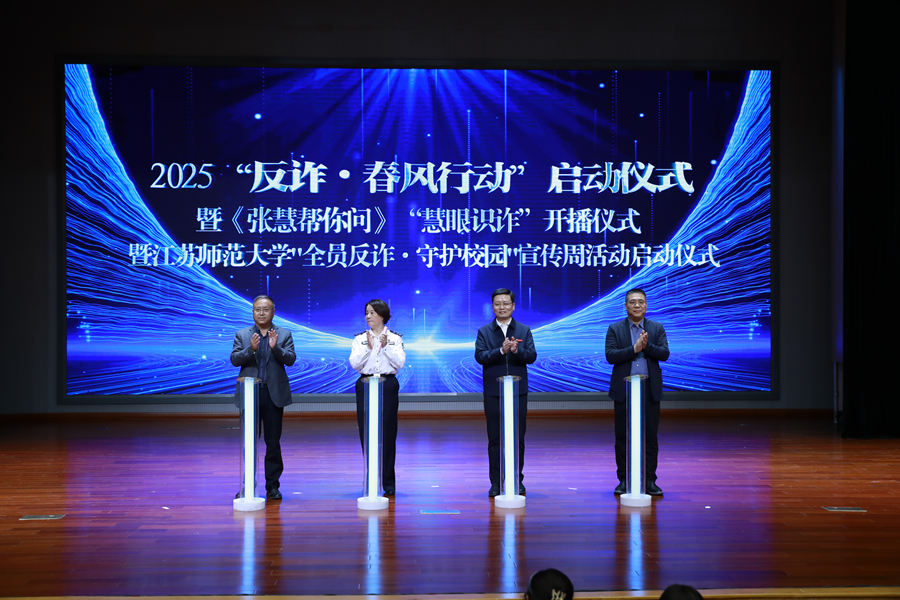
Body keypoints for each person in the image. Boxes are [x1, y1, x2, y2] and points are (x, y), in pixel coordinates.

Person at [231, 295, 296, 500]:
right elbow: (235, 360)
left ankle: (272, 486)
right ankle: (248, 485)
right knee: (249, 442)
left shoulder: (284, 334)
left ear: (273, 312)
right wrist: (250, 349)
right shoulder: (242, 334)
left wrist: (276, 348)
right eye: (257, 309)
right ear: (253, 312)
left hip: (273, 394)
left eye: (266, 309)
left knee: (273, 442)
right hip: (250, 394)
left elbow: (291, 359)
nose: (261, 313)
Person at [605, 287, 669, 496]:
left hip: (649, 390)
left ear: (646, 305)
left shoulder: (657, 328)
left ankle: (649, 480)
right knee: (622, 437)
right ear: (625, 306)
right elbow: (610, 356)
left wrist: (646, 346)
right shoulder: (615, 328)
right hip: (624, 390)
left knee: (650, 437)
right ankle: (624, 479)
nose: (637, 305)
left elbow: (664, 354)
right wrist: (634, 349)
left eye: (640, 302)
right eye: (632, 302)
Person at [475, 288, 537, 498]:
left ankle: (516, 480)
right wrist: (501, 351)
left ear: (513, 306)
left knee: (518, 437)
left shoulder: (523, 330)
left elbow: (532, 356)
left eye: (506, 303)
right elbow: (480, 357)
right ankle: (496, 482)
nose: (502, 307)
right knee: (494, 438)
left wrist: (517, 351)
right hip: (494, 392)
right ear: (493, 307)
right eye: (497, 304)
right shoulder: (484, 331)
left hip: (518, 392)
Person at [349, 299, 406, 496]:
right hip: (365, 383)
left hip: (387, 384)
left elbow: (400, 363)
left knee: (388, 433)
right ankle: (370, 479)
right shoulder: (360, 339)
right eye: (366, 312)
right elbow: (355, 364)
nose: (368, 316)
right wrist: (369, 348)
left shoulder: (395, 338)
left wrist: (385, 346)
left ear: (382, 315)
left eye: (372, 312)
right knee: (366, 432)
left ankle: (388, 483)